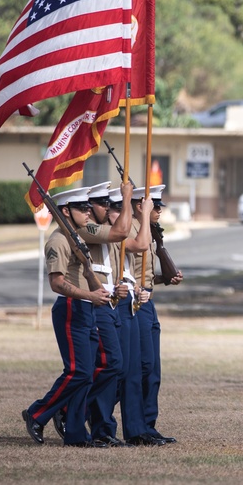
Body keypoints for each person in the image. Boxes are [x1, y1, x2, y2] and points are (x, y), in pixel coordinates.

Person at [22, 187, 112, 447]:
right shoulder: (59, 241)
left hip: (85, 308)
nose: (88, 212)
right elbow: (57, 283)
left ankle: (75, 434)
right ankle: (37, 413)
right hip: (71, 307)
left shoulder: (78, 239)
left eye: (88, 207)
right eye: (81, 208)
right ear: (65, 211)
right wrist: (90, 295)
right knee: (78, 372)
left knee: (87, 374)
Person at [74, 180, 134, 448]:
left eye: (108, 203)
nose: (104, 208)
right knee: (109, 366)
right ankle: (78, 413)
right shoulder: (86, 229)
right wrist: (129, 199)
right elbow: (122, 232)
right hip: (96, 304)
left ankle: (100, 425)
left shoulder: (103, 229)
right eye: (102, 204)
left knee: (118, 369)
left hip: (111, 302)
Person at [127, 185, 183, 444]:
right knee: (139, 368)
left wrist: (165, 278)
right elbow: (127, 272)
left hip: (148, 302)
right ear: (140, 206)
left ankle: (148, 426)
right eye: (154, 205)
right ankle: (136, 429)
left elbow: (146, 276)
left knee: (153, 371)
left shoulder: (151, 233)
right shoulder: (131, 230)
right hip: (133, 303)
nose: (159, 210)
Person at [105, 185, 160, 446]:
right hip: (115, 303)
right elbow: (141, 245)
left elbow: (132, 270)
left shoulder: (126, 230)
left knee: (143, 370)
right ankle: (78, 412)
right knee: (122, 370)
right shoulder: (115, 233)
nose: (118, 214)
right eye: (116, 208)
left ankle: (141, 428)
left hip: (138, 298)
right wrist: (140, 211)